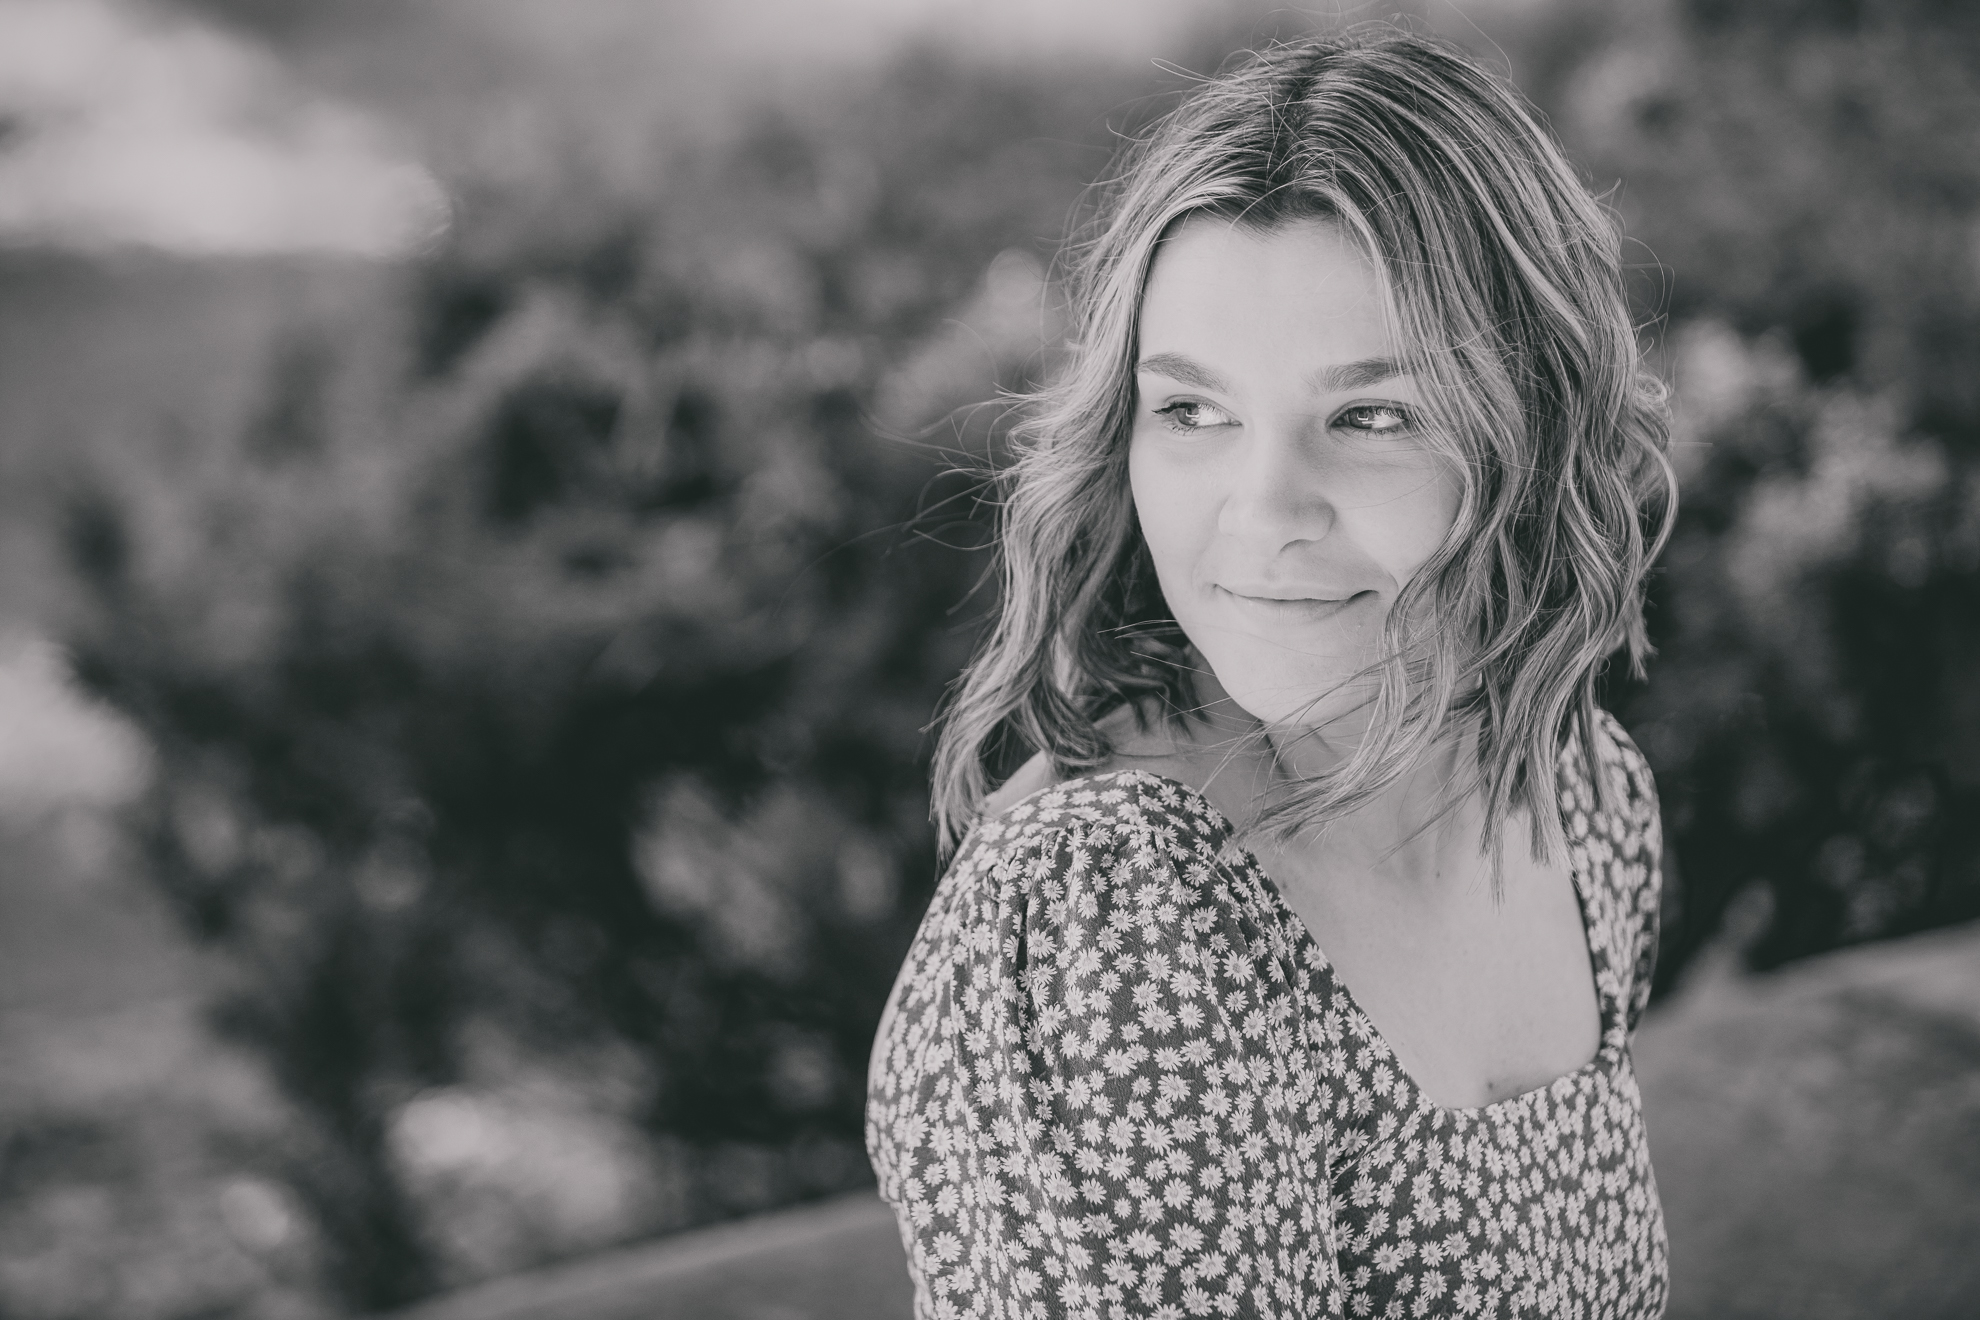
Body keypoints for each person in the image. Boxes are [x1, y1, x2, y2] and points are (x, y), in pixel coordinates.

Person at [867, 28, 1677, 1320]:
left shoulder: (1580, 805)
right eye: (1192, 411)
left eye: (1369, 415)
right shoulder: (1109, 918)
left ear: (1529, 420)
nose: (1262, 511)